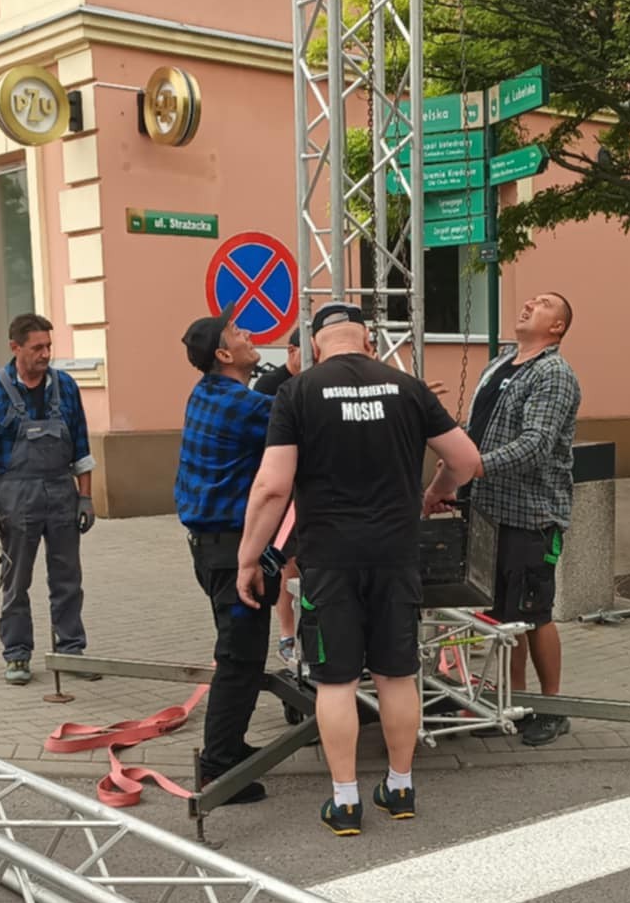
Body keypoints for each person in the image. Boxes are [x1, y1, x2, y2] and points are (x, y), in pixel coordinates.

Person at [236, 301, 481, 836]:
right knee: (397, 675)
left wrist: (249, 557)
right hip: (396, 555)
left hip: (330, 560)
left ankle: (345, 802)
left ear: (315, 346)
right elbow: (467, 461)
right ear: (369, 342)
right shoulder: (408, 388)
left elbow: (273, 486)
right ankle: (400, 788)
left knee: (337, 681)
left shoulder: (298, 393)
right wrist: (433, 493)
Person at [424, 291, 580, 747]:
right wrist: (452, 473)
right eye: (529, 299)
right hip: (488, 509)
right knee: (503, 616)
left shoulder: (553, 374)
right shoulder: (499, 364)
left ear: (558, 327)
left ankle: (552, 708)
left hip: (531, 514)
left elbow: (536, 445)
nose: (529, 304)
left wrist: (474, 466)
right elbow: (475, 433)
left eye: (544, 303)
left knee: (534, 613)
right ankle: (514, 703)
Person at [174, 303, 281, 802]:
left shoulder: (206, 393)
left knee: (242, 652)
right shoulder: (243, 407)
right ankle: (218, 770)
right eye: (238, 331)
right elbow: (296, 418)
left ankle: (232, 746)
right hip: (231, 551)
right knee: (239, 658)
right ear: (222, 353)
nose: (248, 334)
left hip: (209, 548)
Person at [0, 312, 98, 686]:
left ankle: (70, 651)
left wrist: (85, 498)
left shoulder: (65, 387)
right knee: (16, 579)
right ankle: (17, 654)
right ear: (15, 347)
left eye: (48, 346)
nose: (45, 354)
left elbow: (82, 450)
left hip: (61, 491)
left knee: (67, 578)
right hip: (15, 494)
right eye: (37, 347)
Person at [250, 327, 303, 665]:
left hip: (314, 490)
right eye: (308, 353)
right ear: (291, 350)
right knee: (288, 565)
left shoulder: (318, 383)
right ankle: (287, 634)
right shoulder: (270, 386)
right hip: (285, 493)